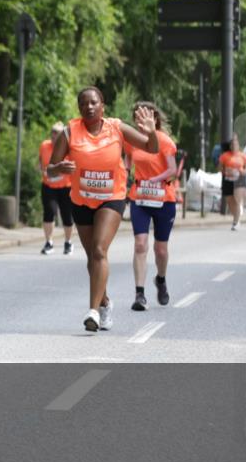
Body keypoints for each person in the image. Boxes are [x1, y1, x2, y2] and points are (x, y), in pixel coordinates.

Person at [47, 87, 158, 333]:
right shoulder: (69, 132)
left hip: (112, 198)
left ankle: (93, 312)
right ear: (79, 109)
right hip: (81, 201)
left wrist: (152, 133)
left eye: (94, 102)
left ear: (102, 106)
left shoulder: (117, 128)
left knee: (99, 250)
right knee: (92, 260)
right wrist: (59, 169)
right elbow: (50, 170)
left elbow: (152, 148)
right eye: (84, 103)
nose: (89, 107)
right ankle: (105, 302)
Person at [123, 102, 177, 311]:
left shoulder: (164, 141)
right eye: (137, 117)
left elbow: (172, 169)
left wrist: (156, 179)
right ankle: (139, 294)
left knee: (160, 250)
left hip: (164, 199)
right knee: (140, 244)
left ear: (155, 119)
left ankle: (161, 280)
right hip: (140, 199)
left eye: (147, 117)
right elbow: (129, 157)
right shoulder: (132, 140)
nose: (141, 121)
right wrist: (125, 171)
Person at [38, 122, 74, 255]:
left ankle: (68, 242)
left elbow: (73, 166)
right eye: (52, 131)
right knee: (49, 212)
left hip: (66, 187)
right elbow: (41, 162)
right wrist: (42, 170)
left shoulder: (68, 148)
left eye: (57, 132)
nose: (54, 135)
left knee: (67, 216)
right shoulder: (44, 145)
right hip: (48, 186)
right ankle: (49, 242)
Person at [218, 135, 246, 230]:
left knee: (237, 200)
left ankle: (236, 221)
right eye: (232, 144)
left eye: (236, 144)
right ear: (230, 146)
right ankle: (236, 217)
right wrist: (225, 171)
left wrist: (244, 171)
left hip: (239, 180)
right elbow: (220, 167)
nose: (234, 146)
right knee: (230, 201)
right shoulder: (224, 156)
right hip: (227, 179)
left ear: (238, 146)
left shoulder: (243, 155)